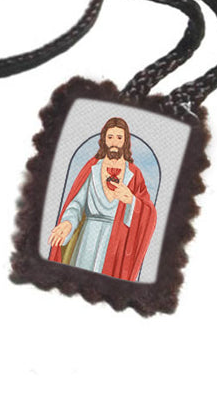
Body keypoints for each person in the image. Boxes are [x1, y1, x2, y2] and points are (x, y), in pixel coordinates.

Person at [48, 116, 157, 281]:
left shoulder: (134, 174)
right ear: (104, 139)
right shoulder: (92, 168)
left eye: (119, 138)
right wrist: (68, 222)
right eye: (110, 137)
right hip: (88, 238)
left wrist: (132, 201)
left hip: (115, 243)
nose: (114, 142)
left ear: (125, 141)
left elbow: (149, 213)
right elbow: (77, 204)